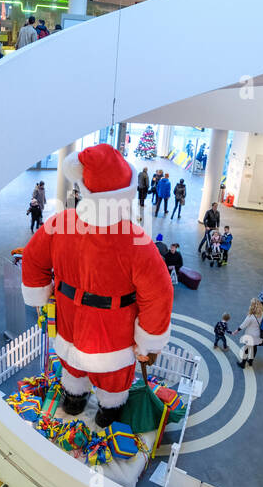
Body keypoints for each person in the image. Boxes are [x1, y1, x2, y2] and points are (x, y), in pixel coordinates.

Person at [20, 144, 173, 430]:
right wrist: (147, 340)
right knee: (114, 377)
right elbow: (159, 294)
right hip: (114, 333)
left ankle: (74, 398)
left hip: (70, 322)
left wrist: (42, 292)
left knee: (72, 367)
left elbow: (32, 257)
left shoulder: (60, 223)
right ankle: (109, 408)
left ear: (84, 189)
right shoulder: (138, 242)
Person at [237, 300, 263, 368]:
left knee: (247, 349)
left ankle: (243, 363)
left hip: (250, 335)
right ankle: (250, 361)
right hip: (257, 335)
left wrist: (237, 330)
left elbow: (244, 325)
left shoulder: (251, 316)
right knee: (254, 348)